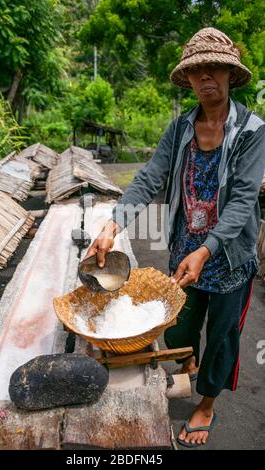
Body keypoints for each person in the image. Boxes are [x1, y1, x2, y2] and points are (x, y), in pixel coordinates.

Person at [85, 27, 265, 448]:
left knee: (222, 337)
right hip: (185, 253)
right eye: (196, 72)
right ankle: (189, 364)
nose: (205, 79)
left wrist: (207, 250)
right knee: (180, 330)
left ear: (229, 74)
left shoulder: (252, 131)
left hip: (228, 259)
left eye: (214, 69)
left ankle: (206, 403)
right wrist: (112, 226)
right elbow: (149, 178)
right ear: (187, 79)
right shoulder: (181, 127)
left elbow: (242, 202)